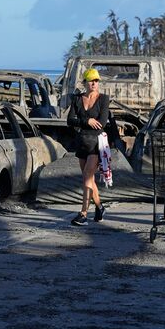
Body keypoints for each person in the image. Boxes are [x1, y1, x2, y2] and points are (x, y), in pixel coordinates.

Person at [67, 68, 109, 226]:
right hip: (82, 142)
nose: (94, 83)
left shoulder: (103, 99)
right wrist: (87, 121)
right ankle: (99, 207)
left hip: (96, 142)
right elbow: (70, 120)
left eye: (96, 80)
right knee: (88, 179)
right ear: (85, 82)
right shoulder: (77, 98)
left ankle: (83, 214)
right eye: (91, 80)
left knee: (87, 176)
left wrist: (88, 122)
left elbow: (102, 124)